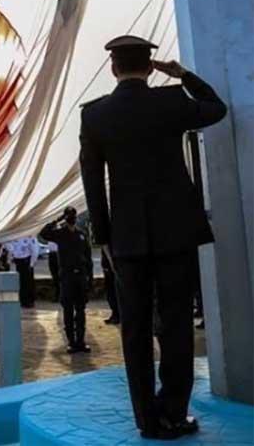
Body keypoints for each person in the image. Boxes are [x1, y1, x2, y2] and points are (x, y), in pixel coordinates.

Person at [79, 35, 227, 440]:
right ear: (150, 67)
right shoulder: (172, 100)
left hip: (126, 237)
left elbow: (93, 182)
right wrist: (183, 76)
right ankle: (174, 413)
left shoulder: (94, 115)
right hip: (176, 231)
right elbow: (217, 109)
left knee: (135, 329)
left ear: (113, 68)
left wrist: (104, 237)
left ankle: (146, 419)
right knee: (177, 324)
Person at [39, 207, 93, 354]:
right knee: (68, 310)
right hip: (67, 277)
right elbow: (43, 234)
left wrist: (90, 279)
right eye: (69, 215)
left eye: (73, 215)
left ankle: (81, 341)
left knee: (81, 311)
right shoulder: (60, 234)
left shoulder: (81, 235)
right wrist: (57, 220)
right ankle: (71, 342)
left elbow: (88, 259)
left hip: (80, 277)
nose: (72, 218)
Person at [3, 237, 39, 308]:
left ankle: (29, 301)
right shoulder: (14, 237)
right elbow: (10, 247)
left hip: (27, 261)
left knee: (28, 281)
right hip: (18, 261)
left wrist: (32, 263)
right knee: (21, 281)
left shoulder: (30, 237)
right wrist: (10, 259)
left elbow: (35, 250)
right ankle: (23, 300)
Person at [101, 250, 120, 325]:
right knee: (110, 292)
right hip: (108, 266)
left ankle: (116, 315)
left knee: (112, 292)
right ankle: (115, 314)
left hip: (111, 267)